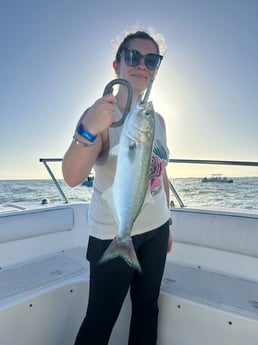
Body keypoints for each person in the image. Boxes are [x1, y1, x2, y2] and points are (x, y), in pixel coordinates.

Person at [62, 28, 173, 345]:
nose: (142, 65)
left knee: (147, 309)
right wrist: (87, 130)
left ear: (156, 69)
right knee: (100, 319)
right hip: (113, 232)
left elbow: (160, 171)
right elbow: (71, 176)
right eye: (133, 57)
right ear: (117, 65)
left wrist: (168, 222)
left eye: (151, 60)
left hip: (155, 230)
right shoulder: (99, 115)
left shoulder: (156, 120)